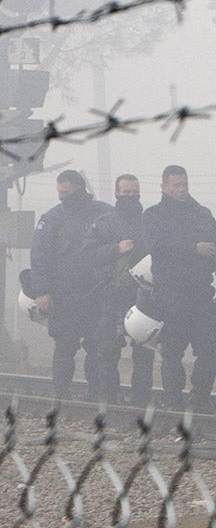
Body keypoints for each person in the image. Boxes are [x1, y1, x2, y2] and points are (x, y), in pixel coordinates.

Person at [140, 165, 216, 415]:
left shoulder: (202, 214)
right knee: (172, 351)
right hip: (169, 293)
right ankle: (173, 403)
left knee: (212, 345)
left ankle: (200, 399)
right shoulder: (153, 215)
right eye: (176, 185)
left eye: (184, 184)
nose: (181, 190)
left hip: (200, 293)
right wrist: (192, 248)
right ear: (164, 187)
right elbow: (156, 245)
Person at [27, 169, 119, 405]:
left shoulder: (105, 213)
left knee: (97, 347)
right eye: (60, 192)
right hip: (64, 294)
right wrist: (41, 292)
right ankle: (61, 395)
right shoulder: (52, 218)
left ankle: (96, 395)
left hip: (98, 293)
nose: (62, 196)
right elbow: (39, 256)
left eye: (66, 192)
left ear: (79, 188)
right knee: (65, 345)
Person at [106, 173, 154, 405]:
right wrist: (115, 249)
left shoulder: (150, 221)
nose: (131, 196)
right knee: (108, 349)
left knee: (144, 350)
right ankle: (109, 399)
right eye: (126, 192)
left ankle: (141, 399)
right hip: (112, 296)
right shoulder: (104, 222)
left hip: (143, 295)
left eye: (134, 192)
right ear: (117, 193)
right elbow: (88, 255)